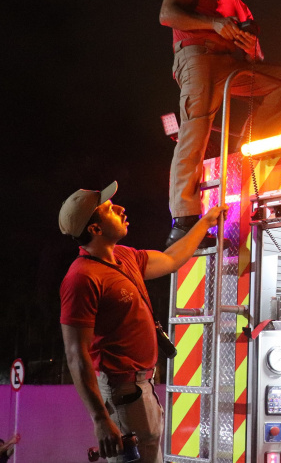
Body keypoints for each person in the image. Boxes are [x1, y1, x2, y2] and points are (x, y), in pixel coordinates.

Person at [159, 0, 281, 248]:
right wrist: (214, 24)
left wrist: (251, 46)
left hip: (231, 66)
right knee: (195, 131)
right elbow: (167, 14)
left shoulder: (242, 6)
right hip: (198, 57)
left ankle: (251, 145)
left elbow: (256, 58)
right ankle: (184, 222)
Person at [59, 181, 225, 462]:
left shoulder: (124, 256)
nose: (121, 209)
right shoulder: (81, 278)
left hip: (140, 388)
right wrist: (101, 419)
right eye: (110, 209)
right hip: (122, 393)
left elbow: (171, 259)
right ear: (95, 229)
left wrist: (205, 222)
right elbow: (76, 355)